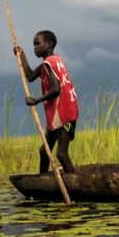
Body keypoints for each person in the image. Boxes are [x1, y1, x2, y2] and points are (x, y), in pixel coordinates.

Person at [15, 30, 79, 174]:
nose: (35, 48)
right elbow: (30, 76)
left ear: (49, 44)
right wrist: (21, 55)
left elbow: (56, 89)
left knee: (61, 154)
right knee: (44, 151)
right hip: (60, 113)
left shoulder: (50, 62)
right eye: (33, 45)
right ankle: (42, 182)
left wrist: (36, 100)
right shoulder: (50, 62)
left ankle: (72, 185)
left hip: (65, 114)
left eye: (38, 44)